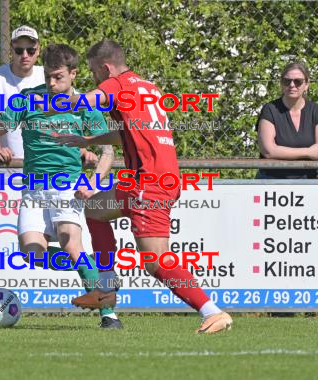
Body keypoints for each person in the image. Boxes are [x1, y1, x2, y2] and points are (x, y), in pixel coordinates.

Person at [52, 40, 232, 334]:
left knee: (156, 262)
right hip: (153, 180)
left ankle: (212, 312)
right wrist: (87, 142)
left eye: (95, 72)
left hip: (148, 184)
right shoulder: (148, 89)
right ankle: (105, 291)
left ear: (106, 68)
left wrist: (56, 100)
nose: (95, 79)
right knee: (96, 209)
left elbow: (85, 102)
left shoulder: (117, 84)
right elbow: (127, 135)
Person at [0, 43, 121, 329]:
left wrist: (93, 182)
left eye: (58, 77)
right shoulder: (27, 100)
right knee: (31, 254)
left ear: (74, 74)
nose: (52, 83)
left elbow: (108, 151)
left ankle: (108, 314)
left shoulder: (85, 106)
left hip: (66, 186)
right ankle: (95, 272)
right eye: (48, 78)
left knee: (71, 242)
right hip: (33, 189)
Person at [0, 25, 97, 175]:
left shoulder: (49, 74)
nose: (25, 55)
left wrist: (82, 149)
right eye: (19, 50)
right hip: (1, 169)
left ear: (38, 50)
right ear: (11, 51)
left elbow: (68, 117)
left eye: (31, 50)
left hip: (45, 170)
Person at [256, 62, 318, 179]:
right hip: (272, 180)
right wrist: (308, 152)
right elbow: (269, 151)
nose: (292, 85)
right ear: (281, 84)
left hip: (308, 179)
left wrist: (281, 152)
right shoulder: (270, 110)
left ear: (306, 84)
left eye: (298, 81)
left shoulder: (316, 111)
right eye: (287, 81)